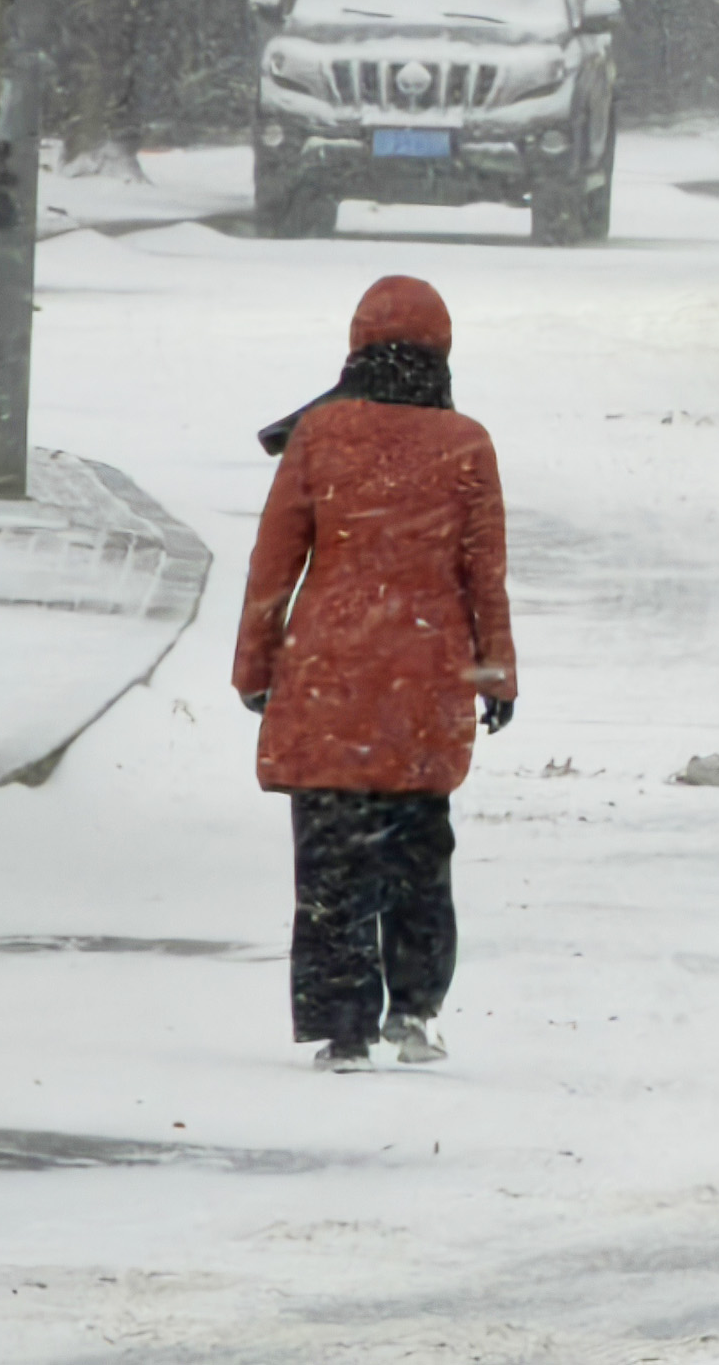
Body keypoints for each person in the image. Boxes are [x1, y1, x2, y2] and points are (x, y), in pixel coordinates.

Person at [232, 276, 516, 1071]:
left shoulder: (320, 435)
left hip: (329, 680)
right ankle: (417, 1012)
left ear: (356, 345)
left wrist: (256, 666)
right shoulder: (466, 443)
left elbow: (273, 565)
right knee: (419, 854)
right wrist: (495, 675)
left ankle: (343, 1028)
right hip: (425, 687)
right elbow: (483, 574)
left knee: (330, 862)